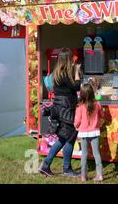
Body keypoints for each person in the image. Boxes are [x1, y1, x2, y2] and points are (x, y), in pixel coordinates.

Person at [39, 48, 81, 177]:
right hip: (66, 109)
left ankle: (49, 165)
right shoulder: (65, 73)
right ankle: (64, 168)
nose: (73, 60)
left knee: (65, 137)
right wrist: (77, 72)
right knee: (68, 138)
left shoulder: (57, 72)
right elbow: (76, 86)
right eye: (71, 58)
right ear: (68, 59)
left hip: (60, 107)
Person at [74, 83, 104, 182]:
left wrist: (75, 126)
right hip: (95, 131)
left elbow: (77, 121)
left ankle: (83, 176)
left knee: (84, 154)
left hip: (83, 132)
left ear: (81, 94)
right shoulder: (97, 104)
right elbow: (102, 115)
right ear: (92, 93)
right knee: (96, 154)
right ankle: (99, 175)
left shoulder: (80, 106)